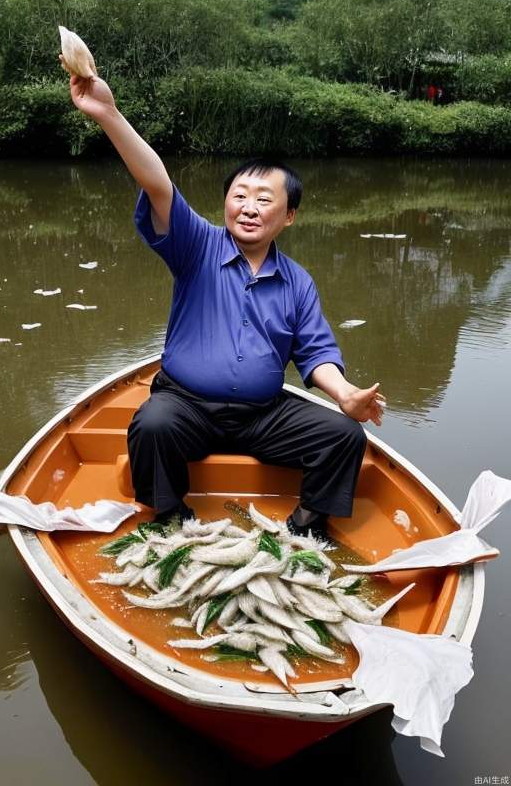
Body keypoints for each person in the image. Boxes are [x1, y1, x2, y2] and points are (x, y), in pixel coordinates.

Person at [66, 72, 385, 542]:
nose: (249, 207)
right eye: (239, 196)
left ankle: (304, 527)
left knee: (345, 437)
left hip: (261, 415)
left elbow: (316, 354)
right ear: (225, 205)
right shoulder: (195, 246)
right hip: (186, 406)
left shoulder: (297, 282)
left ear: (289, 215)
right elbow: (158, 185)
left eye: (264, 199)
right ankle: (172, 516)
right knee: (152, 423)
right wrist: (109, 115)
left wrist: (345, 396)